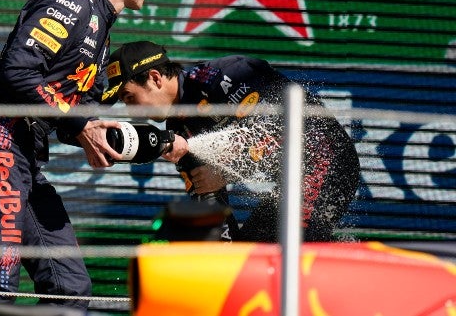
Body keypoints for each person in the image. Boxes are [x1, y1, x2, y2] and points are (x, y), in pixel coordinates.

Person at [0, 0, 174, 310]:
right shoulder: (75, 3)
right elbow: (16, 72)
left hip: (24, 156)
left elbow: (76, 113)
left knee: (69, 286)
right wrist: (79, 125)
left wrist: (107, 135)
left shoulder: (101, 26)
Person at [102, 41, 360, 243]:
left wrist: (224, 171)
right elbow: (212, 205)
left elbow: (285, 129)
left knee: (284, 253)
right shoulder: (178, 131)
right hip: (292, 181)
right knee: (249, 257)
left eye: (129, 97)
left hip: (327, 158)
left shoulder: (224, 75)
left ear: (155, 78)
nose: (131, 111)